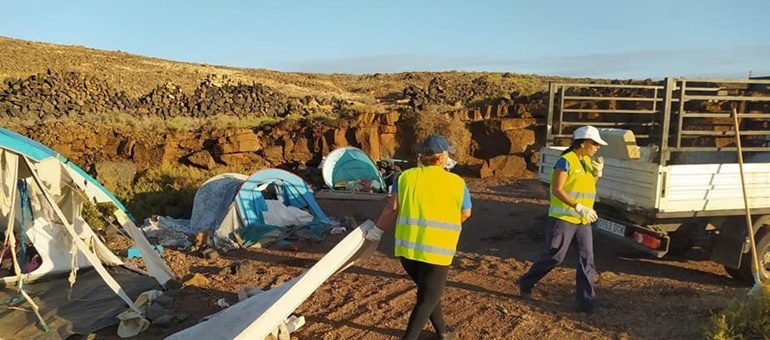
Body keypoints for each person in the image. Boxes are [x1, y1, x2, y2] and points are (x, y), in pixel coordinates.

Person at [364, 134, 472, 340]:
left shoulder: (404, 177)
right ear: (443, 156)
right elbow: (466, 213)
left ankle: (443, 331)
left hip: (408, 249)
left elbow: (392, 209)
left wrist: (376, 232)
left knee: (428, 293)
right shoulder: (457, 183)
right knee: (427, 298)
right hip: (438, 251)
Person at [517, 125, 607, 314]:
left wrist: (596, 175)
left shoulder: (587, 162)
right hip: (563, 218)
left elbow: (586, 187)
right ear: (582, 143)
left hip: (582, 220)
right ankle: (526, 282)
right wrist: (578, 206)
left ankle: (587, 303)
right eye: (594, 143)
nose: (597, 147)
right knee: (555, 256)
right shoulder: (565, 161)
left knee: (587, 260)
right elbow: (557, 189)